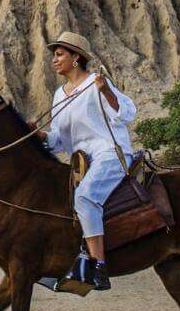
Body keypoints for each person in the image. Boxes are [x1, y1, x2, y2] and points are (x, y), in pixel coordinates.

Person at [40, 31, 135, 291]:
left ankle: (99, 267)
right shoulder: (60, 93)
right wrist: (36, 133)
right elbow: (58, 140)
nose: (54, 60)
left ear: (76, 57)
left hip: (109, 154)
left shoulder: (96, 82)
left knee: (84, 198)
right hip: (82, 162)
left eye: (60, 54)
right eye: (54, 55)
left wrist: (107, 93)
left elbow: (126, 112)